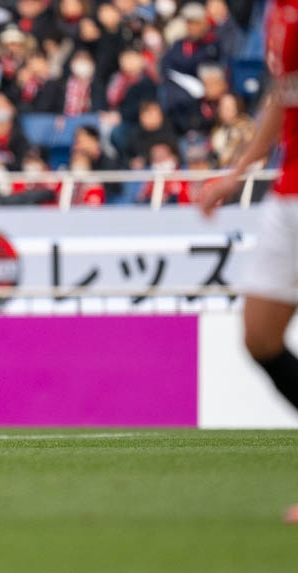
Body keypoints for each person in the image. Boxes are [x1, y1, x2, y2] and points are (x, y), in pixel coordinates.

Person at [199, 0, 298, 522]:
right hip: (288, 194)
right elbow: (283, 97)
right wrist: (237, 173)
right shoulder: (277, 13)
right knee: (259, 337)